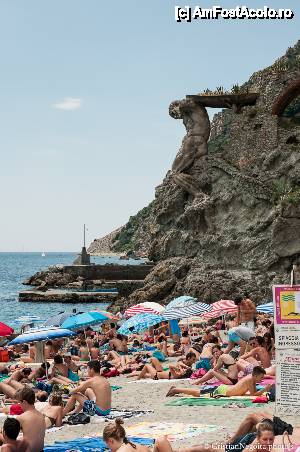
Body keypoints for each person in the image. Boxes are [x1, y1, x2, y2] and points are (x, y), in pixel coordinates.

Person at [166, 366, 272, 398]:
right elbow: (253, 394)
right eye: (261, 377)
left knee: (199, 393)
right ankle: (175, 389)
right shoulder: (250, 379)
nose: (262, 379)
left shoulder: (251, 378)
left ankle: (176, 389)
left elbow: (249, 392)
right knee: (198, 393)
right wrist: (265, 389)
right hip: (222, 391)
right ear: (255, 375)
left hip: (224, 390)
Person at [103, 417, 172, 452]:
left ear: (111, 441)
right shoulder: (133, 445)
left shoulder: (122, 450)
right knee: (161, 440)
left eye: (107, 444)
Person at [15, 387, 46, 452]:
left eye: (19, 402)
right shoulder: (41, 415)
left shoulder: (21, 418)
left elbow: (9, 439)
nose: (19, 405)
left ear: (24, 402)